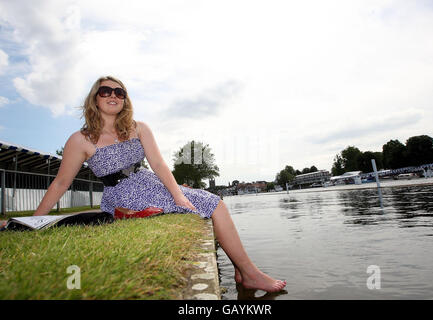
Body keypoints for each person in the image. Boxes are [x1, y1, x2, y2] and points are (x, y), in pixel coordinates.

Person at [2, 76, 286, 293]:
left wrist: (179, 195)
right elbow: (61, 182)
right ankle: (248, 273)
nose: (113, 95)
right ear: (95, 99)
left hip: (149, 181)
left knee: (213, 202)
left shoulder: (139, 128)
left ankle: (244, 271)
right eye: (106, 91)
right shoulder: (80, 140)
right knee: (213, 205)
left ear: (124, 99)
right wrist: (35, 220)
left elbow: (161, 166)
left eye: (119, 92)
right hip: (120, 194)